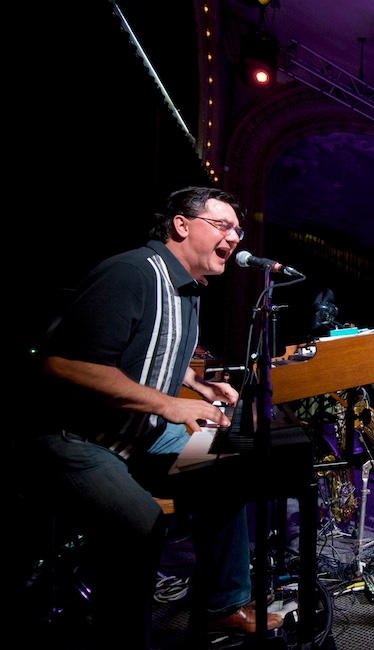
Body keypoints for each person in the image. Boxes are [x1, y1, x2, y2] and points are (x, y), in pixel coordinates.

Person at [24, 187, 282, 650]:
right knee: (141, 522)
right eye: (222, 225)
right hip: (76, 440)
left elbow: (156, 347)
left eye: (238, 231)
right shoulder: (133, 273)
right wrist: (170, 405)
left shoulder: (187, 289)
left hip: (136, 435)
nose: (235, 239)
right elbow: (62, 364)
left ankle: (219, 610)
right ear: (181, 225)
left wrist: (198, 386)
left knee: (226, 473)